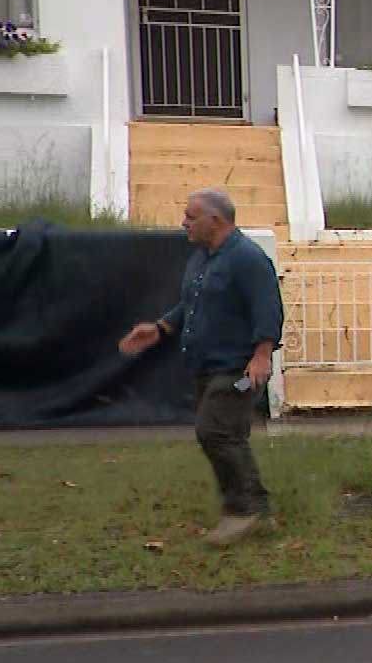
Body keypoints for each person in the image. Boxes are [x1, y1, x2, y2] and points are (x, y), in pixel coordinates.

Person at [119, 189, 285, 547]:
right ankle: (257, 510)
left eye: (191, 217)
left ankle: (244, 512)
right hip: (206, 367)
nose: (184, 223)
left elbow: (268, 309)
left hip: (241, 374)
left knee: (215, 432)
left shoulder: (248, 259)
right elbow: (190, 303)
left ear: (216, 220)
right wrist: (160, 327)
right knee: (227, 435)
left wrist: (262, 356)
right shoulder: (201, 259)